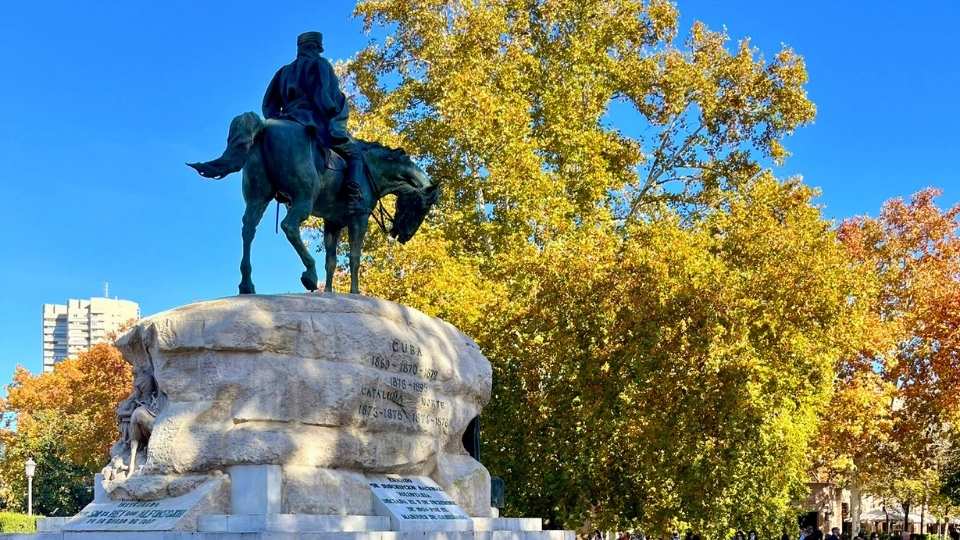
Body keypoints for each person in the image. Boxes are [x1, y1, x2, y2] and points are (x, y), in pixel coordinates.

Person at [261, 31, 365, 214]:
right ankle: (353, 199)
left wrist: (276, 120)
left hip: (286, 119)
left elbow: (268, 104)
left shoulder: (283, 72)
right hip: (313, 121)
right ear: (316, 48)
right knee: (356, 153)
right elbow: (324, 96)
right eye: (318, 49)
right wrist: (333, 108)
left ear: (300, 49)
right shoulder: (320, 64)